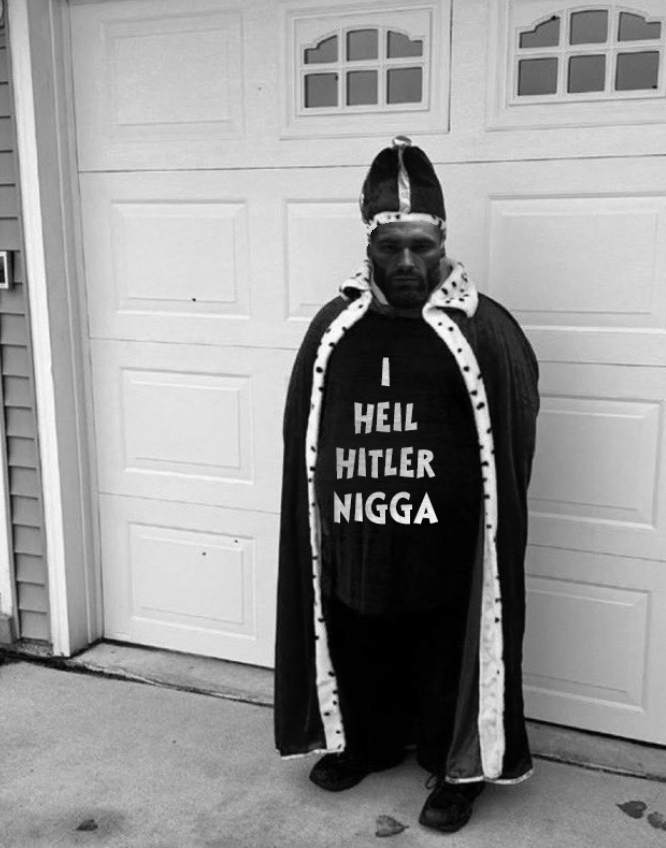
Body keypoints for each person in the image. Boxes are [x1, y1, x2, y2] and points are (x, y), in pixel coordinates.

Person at [274, 136, 540, 833]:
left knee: (443, 649)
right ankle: (368, 743)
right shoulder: (334, 327)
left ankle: (457, 769)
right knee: (361, 637)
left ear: (442, 243)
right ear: (369, 245)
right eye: (390, 246)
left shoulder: (483, 328)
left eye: (421, 246)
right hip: (358, 532)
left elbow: (513, 432)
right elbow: (304, 432)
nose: (406, 262)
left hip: (446, 544)